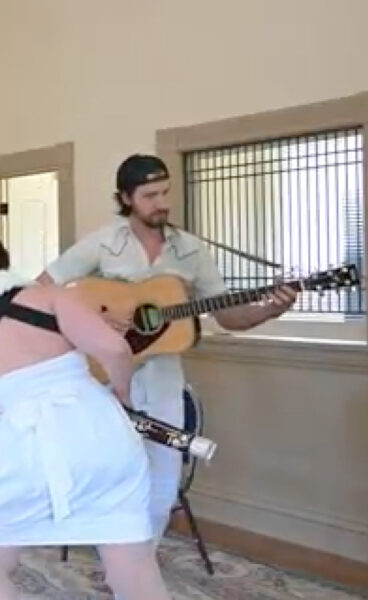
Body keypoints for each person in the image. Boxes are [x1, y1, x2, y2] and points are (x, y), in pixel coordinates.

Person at [36, 154, 297, 552]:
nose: (161, 203)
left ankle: (140, 565)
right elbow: (41, 290)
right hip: (105, 378)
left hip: (163, 382)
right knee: (111, 472)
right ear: (126, 198)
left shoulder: (190, 251)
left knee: (163, 475)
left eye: (164, 193)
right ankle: (115, 559)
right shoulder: (103, 243)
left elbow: (227, 314)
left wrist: (270, 308)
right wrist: (92, 325)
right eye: (149, 195)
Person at [0, 221, 171, 600]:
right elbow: (116, 351)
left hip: (26, 447)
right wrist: (120, 396)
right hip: (98, 432)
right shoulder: (52, 298)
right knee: (132, 568)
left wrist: (0, 415)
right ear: (6, 258)